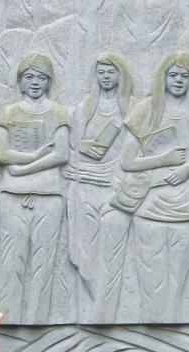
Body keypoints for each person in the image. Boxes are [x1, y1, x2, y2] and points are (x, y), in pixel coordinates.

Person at [118, 51, 189, 323]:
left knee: (177, 284)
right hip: (149, 207)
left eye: (185, 76)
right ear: (163, 78)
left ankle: (172, 341)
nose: (178, 80)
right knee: (150, 282)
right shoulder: (146, 111)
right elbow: (127, 161)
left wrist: (188, 168)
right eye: (173, 75)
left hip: (186, 209)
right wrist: (163, 160)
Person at [0, 51, 70, 323]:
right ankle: (7, 320)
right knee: (12, 260)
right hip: (12, 196)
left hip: (48, 195)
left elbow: (61, 154)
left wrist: (22, 169)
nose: (35, 82)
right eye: (29, 77)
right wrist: (35, 156)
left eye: (41, 78)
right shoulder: (9, 112)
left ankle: (37, 320)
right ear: (20, 81)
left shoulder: (58, 112)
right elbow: (0, 153)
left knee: (43, 263)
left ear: (49, 82)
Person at [63, 53, 138, 322]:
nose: (105, 77)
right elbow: (69, 146)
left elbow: (138, 149)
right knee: (82, 256)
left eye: (111, 72)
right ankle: (100, 306)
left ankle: (105, 312)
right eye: (101, 72)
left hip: (115, 189)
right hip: (84, 186)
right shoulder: (82, 109)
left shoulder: (132, 109)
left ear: (121, 75)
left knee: (112, 253)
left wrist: (113, 170)